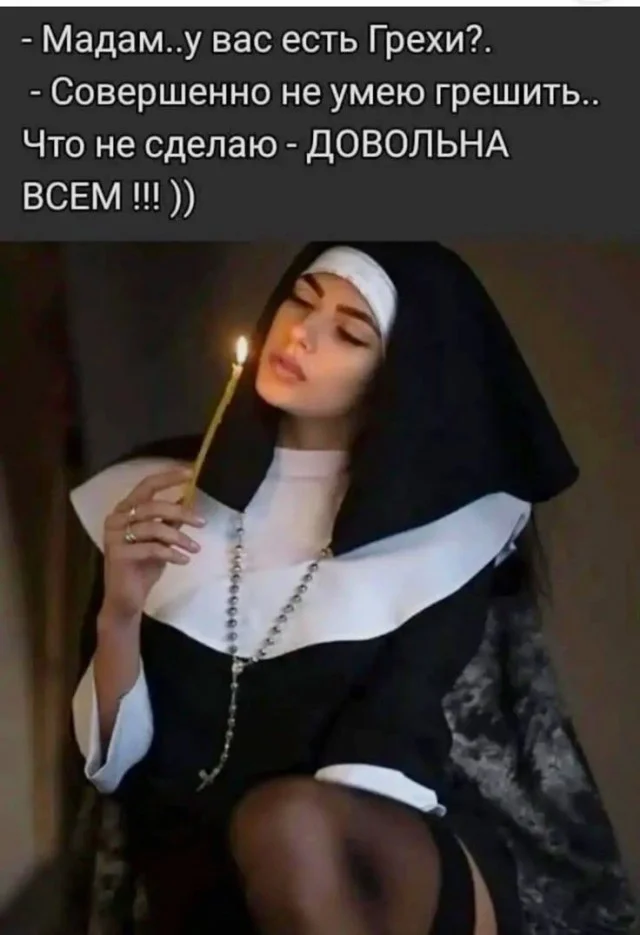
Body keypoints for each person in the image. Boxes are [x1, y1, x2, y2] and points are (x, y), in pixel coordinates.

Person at [70, 242, 579, 935]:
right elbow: (119, 771)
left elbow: (390, 733)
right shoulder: (155, 493)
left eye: (349, 333)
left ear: (391, 375)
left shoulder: (442, 529)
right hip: (208, 871)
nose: (302, 335)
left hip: (375, 860)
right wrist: (121, 612)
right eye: (301, 302)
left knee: (286, 827)